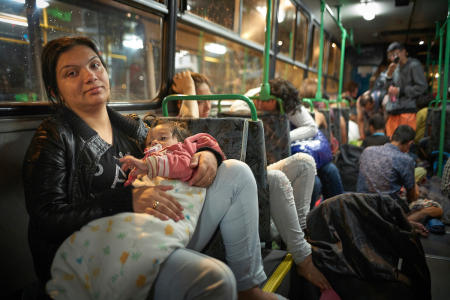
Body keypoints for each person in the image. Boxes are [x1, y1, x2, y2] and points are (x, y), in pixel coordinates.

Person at [23, 36, 279, 300]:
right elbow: (47, 217)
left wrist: (207, 154)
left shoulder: (131, 127)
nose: (90, 76)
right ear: (55, 92)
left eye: (95, 65)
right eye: (72, 73)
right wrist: (126, 200)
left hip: (154, 230)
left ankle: (248, 288)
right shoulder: (54, 136)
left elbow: (174, 145)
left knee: (235, 172)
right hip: (102, 255)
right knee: (214, 279)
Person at [173, 72, 332, 291]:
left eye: (210, 98)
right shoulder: (172, 132)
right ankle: (301, 255)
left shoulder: (218, 120)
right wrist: (188, 91)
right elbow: (186, 128)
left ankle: (302, 238)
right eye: (200, 100)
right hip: (222, 189)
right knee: (276, 178)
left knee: (304, 163)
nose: (208, 105)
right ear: (186, 101)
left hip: (235, 179)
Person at [46, 119, 226, 299]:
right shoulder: (142, 163)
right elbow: (135, 194)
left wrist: (149, 166)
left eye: (162, 138)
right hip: (141, 210)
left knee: (139, 244)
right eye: (149, 142)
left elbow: (184, 166)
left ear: (180, 141)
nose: (155, 142)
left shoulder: (180, 153)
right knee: (99, 234)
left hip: (171, 207)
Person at [357, 125, 418, 210]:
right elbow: (412, 198)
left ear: (391, 137)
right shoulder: (406, 160)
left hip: (361, 205)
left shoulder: (367, 150)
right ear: (410, 143)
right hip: (387, 211)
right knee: (434, 209)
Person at [380, 42, 428, 137]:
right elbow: (386, 89)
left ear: (404, 52)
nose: (393, 58)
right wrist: (389, 75)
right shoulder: (394, 68)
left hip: (408, 111)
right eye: (390, 55)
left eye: (396, 54)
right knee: (391, 140)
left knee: (406, 142)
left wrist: (401, 91)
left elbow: (422, 87)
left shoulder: (414, 65)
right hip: (393, 110)